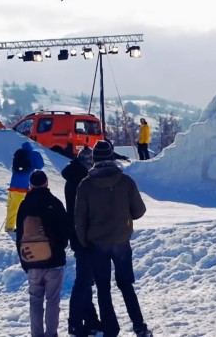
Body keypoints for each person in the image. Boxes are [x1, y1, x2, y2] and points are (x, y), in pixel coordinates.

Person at [75, 140, 152, 337]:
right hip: (121, 241)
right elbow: (139, 211)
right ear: (111, 157)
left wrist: (85, 242)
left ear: (94, 159)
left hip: (97, 244)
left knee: (103, 289)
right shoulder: (126, 181)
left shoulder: (86, 185)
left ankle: (110, 330)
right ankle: (139, 327)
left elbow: (79, 220)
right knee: (126, 286)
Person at [15, 170, 69, 337]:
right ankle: (51, 334)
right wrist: (59, 249)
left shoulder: (24, 205)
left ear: (30, 185)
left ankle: (36, 334)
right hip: (54, 260)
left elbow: (19, 235)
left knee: (35, 301)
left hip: (32, 259)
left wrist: (24, 261)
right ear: (46, 183)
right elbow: (65, 230)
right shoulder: (54, 202)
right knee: (52, 300)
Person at [61, 147, 102, 337]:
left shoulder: (73, 176)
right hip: (84, 235)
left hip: (78, 234)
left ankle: (91, 320)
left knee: (85, 281)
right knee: (83, 281)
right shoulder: (82, 180)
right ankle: (75, 323)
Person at [5, 141, 45, 232]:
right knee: (26, 208)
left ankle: (10, 226)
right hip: (25, 186)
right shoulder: (34, 154)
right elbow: (40, 166)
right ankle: (23, 227)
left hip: (13, 185)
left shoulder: (18, 154)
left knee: (12, 207)